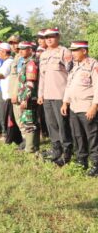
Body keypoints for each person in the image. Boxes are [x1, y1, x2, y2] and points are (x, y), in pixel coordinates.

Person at [61, 41, 98, 175]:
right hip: (74, 107)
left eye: (76, 50)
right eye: (72, 50)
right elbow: (69, 86)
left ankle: (95, 164)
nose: (73, 53)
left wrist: (94, 106)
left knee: (92, 137)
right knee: (77, 135)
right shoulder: (74, 66)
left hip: (87, 106)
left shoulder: (93, 65)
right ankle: (81, 160)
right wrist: (65, 102)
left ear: (84, 50)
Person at [38, 27, 74, 165]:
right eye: (46, 37)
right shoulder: (43, 55)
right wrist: (40, 94)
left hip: (60, 95)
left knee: (62, 125)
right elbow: (42, 77)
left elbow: (71, 74)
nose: (49, 39)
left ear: (58, 37)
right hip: (47, 95)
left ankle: (67, 152)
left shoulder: (64, 52)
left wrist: (68, 96)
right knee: (51, 124)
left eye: (52, 36)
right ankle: (56, 149)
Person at [13, 41, 40, 153]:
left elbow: (30, 83)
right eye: (20, 49)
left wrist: (25, 99)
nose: (21, 51)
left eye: (23, 49)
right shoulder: (24, 62)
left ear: (30, 50)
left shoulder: (31, 64)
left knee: (29, 123)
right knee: (30, 122)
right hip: (25, 96)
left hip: (29, 98)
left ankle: (29, 148)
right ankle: (34, 146)